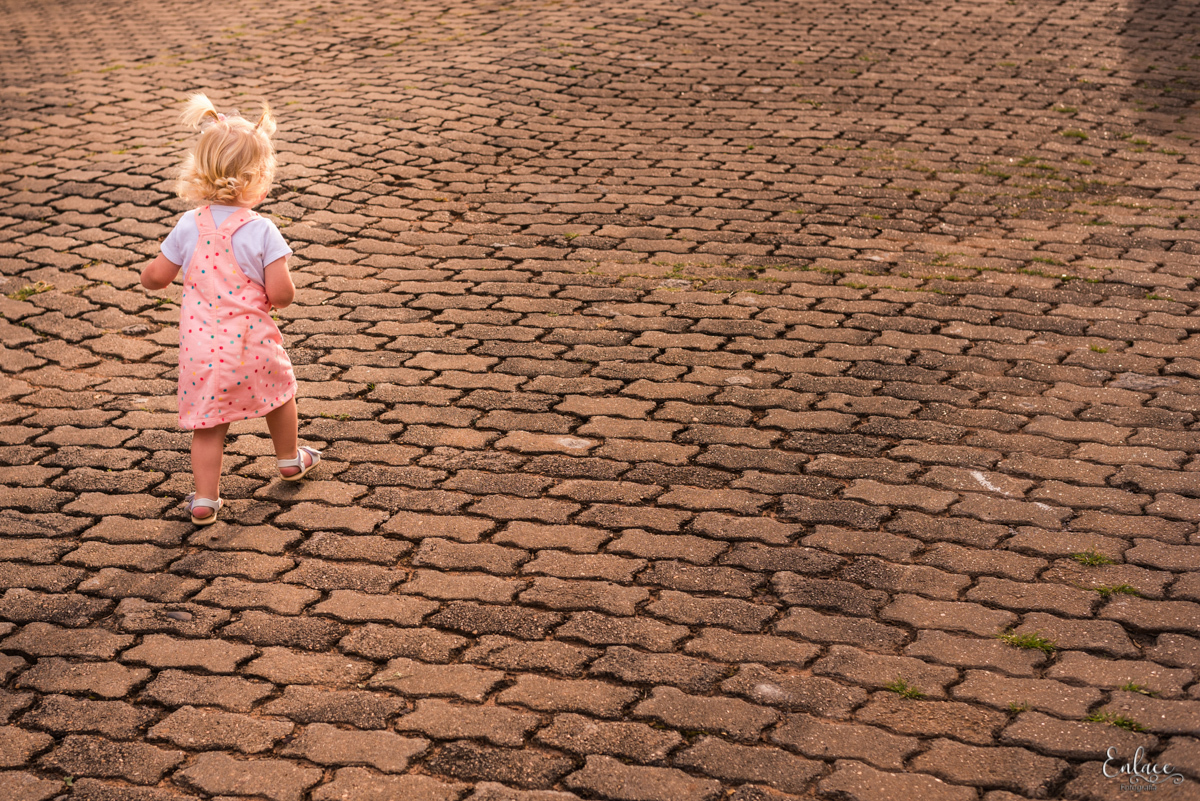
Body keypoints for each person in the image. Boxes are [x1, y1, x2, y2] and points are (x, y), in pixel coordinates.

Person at [140, 93, 320, 525]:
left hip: (203, 351)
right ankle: (289, 458)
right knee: (280, 397)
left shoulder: (189, 225)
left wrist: (148, 274)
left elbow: (157, 277)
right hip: (253, 344)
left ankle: (205, 500)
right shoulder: (261, 231)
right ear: (259, 178)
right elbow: (280, 294)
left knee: (208, 426)